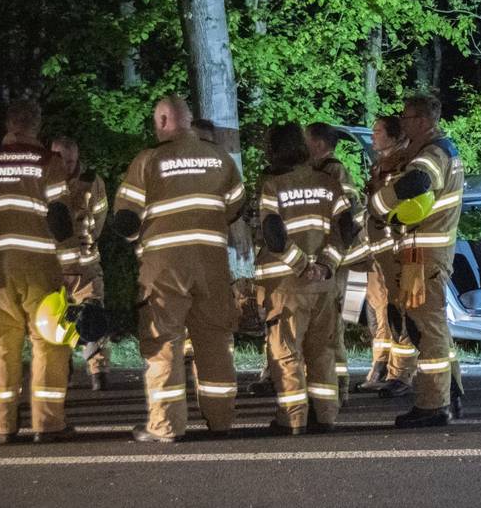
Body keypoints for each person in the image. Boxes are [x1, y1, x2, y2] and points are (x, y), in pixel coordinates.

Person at [113, 95, 245, 443]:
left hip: (165, 268)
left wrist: (136, 238)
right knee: (215, 342)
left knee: (164, 344)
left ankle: (166, 426)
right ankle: (221, 421)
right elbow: (235, 207)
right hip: (211, 265)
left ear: (161, 121)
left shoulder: (148, 161)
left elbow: (126, 218)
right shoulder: (219, 158)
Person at [0, 100, 76, 444]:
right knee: (49, 343)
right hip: (40, 265)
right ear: (36, 126)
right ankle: (47, 424)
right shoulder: (48, 162)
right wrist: (71, 265)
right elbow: (60, 218)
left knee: (3, 346)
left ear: (9, 124)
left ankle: (2, 426)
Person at [370, 95, 465, 428]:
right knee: (431, 327)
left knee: (427, 329)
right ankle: (449, 392)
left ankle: (433, 404)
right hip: (422, 255)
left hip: (424, 257)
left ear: (423, 121)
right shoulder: (439, 150)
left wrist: (381, 206)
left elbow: (418, 182)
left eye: (407, 118)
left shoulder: (434, 153)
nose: (404, 124)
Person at [254, 122, 354, 434]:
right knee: (322, 351)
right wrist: (324, 265)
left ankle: (293, 418)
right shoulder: (327, 182)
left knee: (286, 353)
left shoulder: (272, 184)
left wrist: (300, 265)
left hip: (287, 285)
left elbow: (273, 233)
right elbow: (347, 228)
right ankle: (325, 416)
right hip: (323, 285)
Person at [304, 122, 364, 402]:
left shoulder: (332, 171)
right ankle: (336, 383)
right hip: (339, 261)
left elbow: (346, 217)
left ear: (317, 144)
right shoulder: (322, 171)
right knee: (331, 324)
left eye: (307, 140)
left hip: (344, 263)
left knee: (333, 324)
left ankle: (339, 385)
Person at [51, 136, 112, 390]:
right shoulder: (43, 179)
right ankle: (60, 368)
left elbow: (100, 215)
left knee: (94, 316)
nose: (67, 165)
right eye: (62, 160)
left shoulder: (91, 181)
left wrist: (89, 241)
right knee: (56, 319)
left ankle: (98, 371)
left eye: (72, 160)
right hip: (53, 266)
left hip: (86, 264)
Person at [362, 115, 417, 395]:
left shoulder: (403, 165)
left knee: (399, 312)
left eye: (378, 131)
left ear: (394, 136)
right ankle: (381, 366)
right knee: (379, 313)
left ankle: (402, 374)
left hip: (395, 250)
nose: (373, 136)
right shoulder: (379, 166)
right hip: (376, 252)